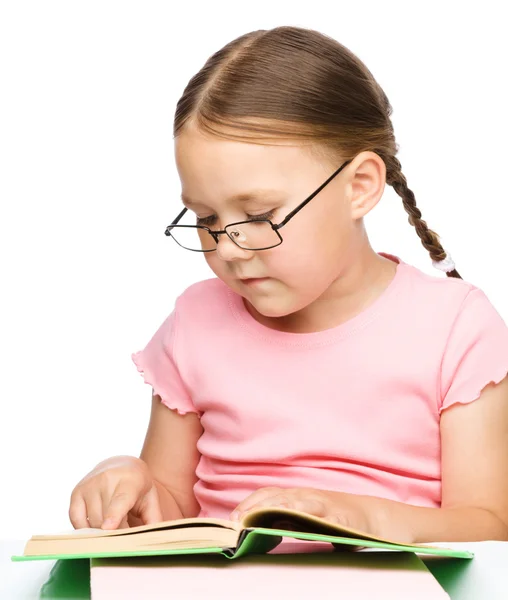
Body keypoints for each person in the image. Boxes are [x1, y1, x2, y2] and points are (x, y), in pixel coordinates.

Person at [69, 26, 508, 544]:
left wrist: (362, 519)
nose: (228, 246)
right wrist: (129, 479)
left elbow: (489, 526)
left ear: (360, 187)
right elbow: (171, 510)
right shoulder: (195, 322)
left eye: (259, 214)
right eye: (206, 217)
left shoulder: (455, 327)